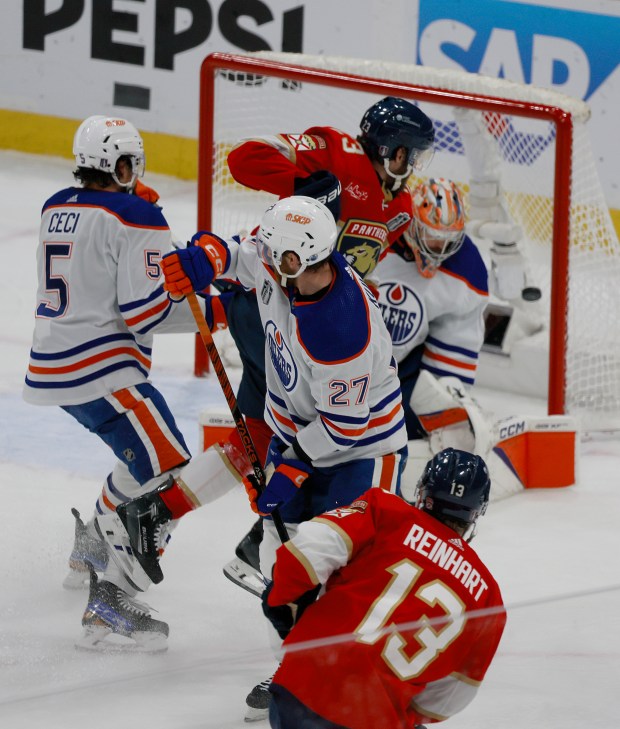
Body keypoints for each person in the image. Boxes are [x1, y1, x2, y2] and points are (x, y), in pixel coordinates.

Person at [119, 194, 409, 713]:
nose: (279, 265)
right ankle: (300, 665)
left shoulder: (342, 327)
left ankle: (343, 676)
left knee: (343, 568)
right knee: (290, 566)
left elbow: (345, 424)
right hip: (298, 431)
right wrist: (204, 258)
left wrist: (292, 465)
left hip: (362, 450)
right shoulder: (286, 266)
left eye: (290, 260)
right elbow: (241, 255)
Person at [23, 115, 239, 652]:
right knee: (170, 473)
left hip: (55, 364)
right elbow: (145, 315)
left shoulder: (56, 204)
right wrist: (219, 304)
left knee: (141, 459)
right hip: (103, 369)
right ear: (124, 166)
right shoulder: (136, 213)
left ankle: (93, 542)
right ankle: (109, 604)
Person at [222, 96, 435, 594]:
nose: (414, 166)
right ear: (392, 151)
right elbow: (243, 160)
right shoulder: (335, 152)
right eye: (412, 154)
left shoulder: (400, 208)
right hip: (272, 304)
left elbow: (359, 263)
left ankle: (271, 547)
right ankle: (272, 544)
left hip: (323, 324)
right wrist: (308, 193)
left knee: (320, 423)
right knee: (293, 426)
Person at [262, 448, 506, 729]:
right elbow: (451, 697)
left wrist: (282, 600)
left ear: (422, 491)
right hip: (374, 718)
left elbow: (306, 553)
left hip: (298, 693)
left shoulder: (385, 509)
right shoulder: (487, 594)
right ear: (477, 512)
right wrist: (403, 711)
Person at [373, 178, 490, 488]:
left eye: (449, 240)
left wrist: (443, 409)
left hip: (397, 369)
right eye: (432, 237)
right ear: (411, 223)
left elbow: (452, 355)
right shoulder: (376, 236)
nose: (440, 249)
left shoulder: (468, 270)